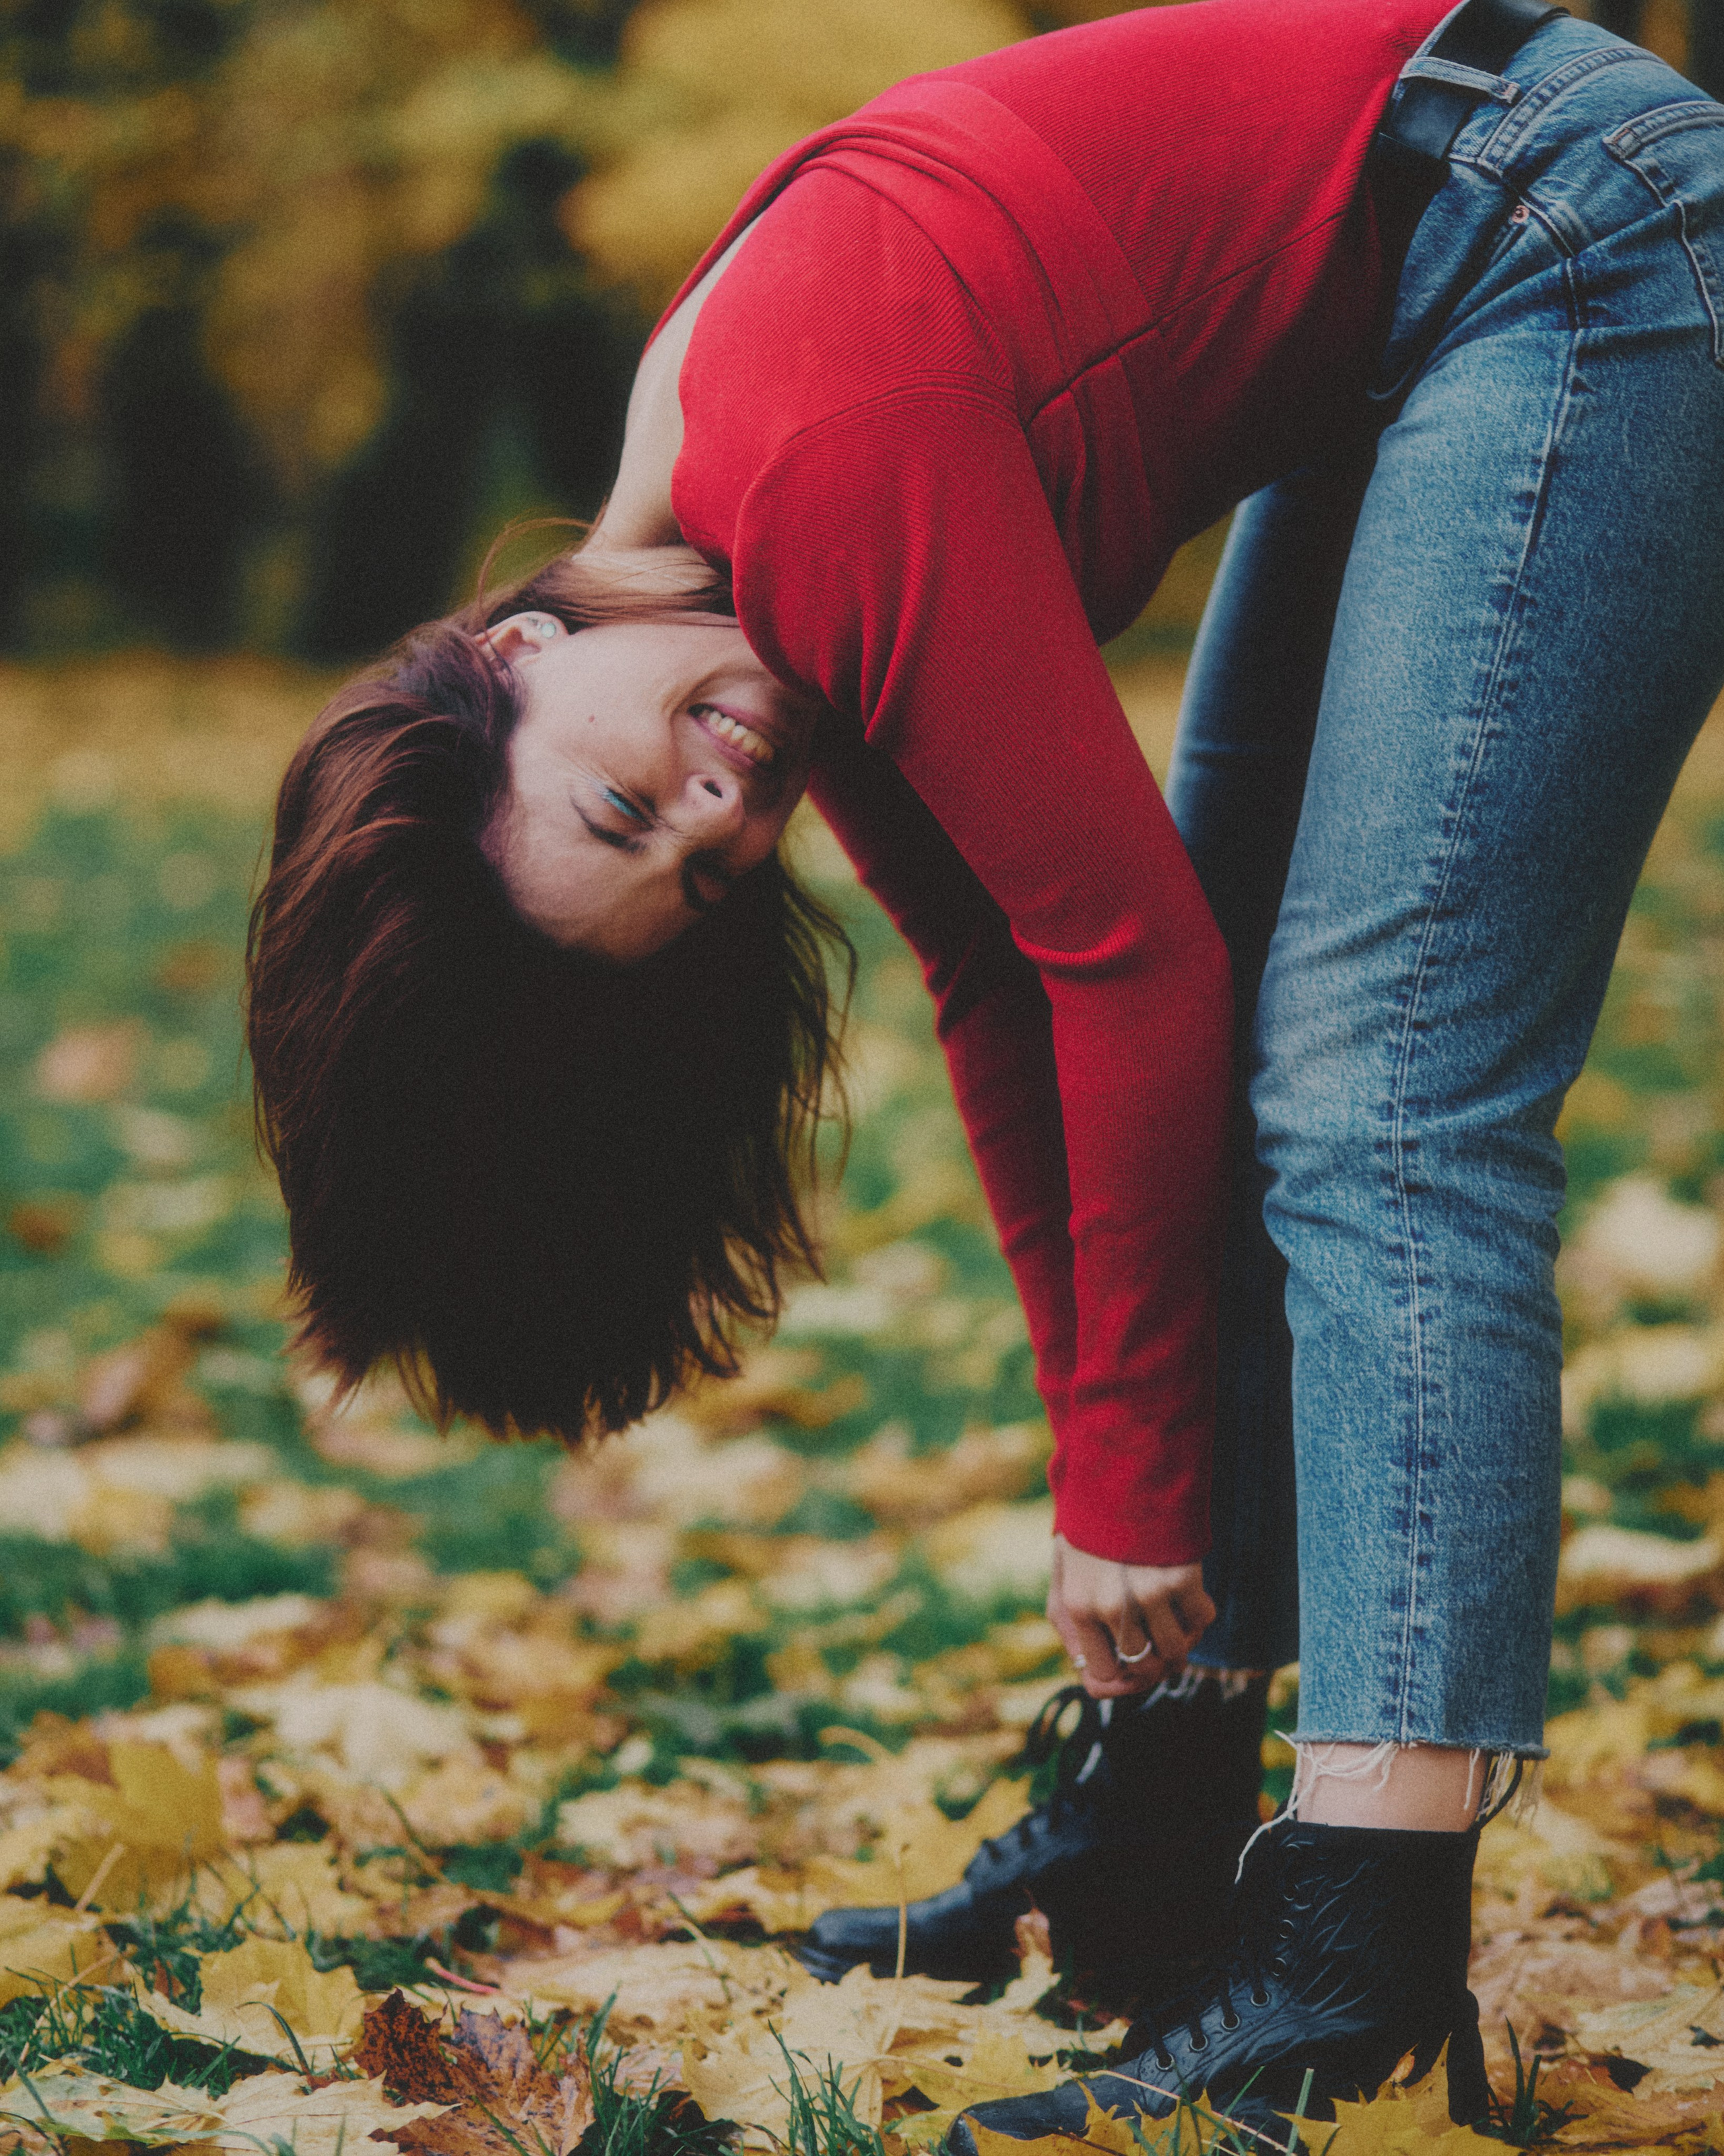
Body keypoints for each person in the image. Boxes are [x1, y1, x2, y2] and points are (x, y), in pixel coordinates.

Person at [246, 0, 1724, 2141]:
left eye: (620, 804)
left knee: (1377, 1079)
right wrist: (1097, 1475)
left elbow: (1124, 971)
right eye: (702, 878)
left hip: (1569, 231)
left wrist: (1130, 1490)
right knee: (1232, 1035)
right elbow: (1009, 995)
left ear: (515, 653)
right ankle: (1164, 1806)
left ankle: (1361, 1959)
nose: (725, 818)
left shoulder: (809, 463)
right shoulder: (727, 575)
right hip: (1442, 282)